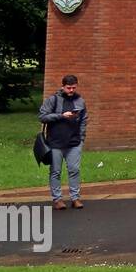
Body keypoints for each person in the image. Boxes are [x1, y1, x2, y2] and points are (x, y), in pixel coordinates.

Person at [39, 74, 88, 210]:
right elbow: (42, 117)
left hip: (74, 142)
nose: (71, 90)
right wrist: (61, 116)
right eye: (68, 88)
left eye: (73, 87)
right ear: (63, 86)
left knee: (74, 170)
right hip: (55, 142)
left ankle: (75, 198)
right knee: (55, 171)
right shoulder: (53, 100)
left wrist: (81, 138)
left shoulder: (80, 101)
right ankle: (57, 199)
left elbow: (84, 120)